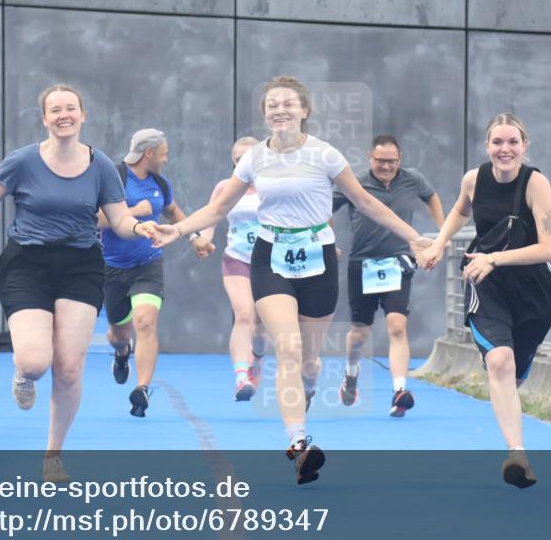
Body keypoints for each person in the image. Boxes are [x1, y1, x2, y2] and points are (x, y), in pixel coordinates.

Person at [154, 76, 433, 485]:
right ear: (265, 113)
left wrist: (415, 239)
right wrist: (177, 231)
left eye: (288, 103)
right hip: (271, 256)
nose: (279, 109)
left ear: (304, 111)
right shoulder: (254, 160)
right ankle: (299, 444)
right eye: (272, 104)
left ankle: (305, 388)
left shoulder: (324, 155)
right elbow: (218, 208)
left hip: (318, 258)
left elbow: (366, 201)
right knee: (287, 346)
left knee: (308, 361)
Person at [0, 84, 158, 481]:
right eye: (55, 110)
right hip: (27, 263)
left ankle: (53, 454)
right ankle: (22, 374)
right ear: (45, 119)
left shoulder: (102, 165)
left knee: (69, 369)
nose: (64, 115)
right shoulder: (22, 162)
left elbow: (120, 220)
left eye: (71, 108)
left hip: (81, 265)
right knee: (37, 362)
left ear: (83, 115)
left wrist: (141, 227)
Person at [417, 113, 551, 488]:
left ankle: (513, 391)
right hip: (485, 283)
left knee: (515, 370)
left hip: (533, 294)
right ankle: (517, 453)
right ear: (487, 146)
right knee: (499, 361)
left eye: (513, 142)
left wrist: (495, 257)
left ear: (524, 146)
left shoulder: (535, 183)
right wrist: (439, 243)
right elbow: (461, 210)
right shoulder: (473, 179)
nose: (505, 149)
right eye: (498, 142)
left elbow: (550, 248)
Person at [100, 128, 212, 418]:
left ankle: (142, 389)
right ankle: (122, 353)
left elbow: (174, 213)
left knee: (145, 322)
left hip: (148, 265)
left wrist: (194, 236)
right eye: (163, 152)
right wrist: (135, 210)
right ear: (148, 153)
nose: (166, 157)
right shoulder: (114, 177)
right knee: (118, 333)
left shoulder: (160, 184)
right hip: (112, 267)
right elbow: (95, 219)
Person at [333, 134, 445, 417]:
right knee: (359, 333)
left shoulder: (412, 179)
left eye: (391, 161)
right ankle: (351, 374)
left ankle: (399, 391)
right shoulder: (354, 182)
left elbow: (431, 197)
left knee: (397, 325)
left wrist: (442, 231)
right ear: (370, 158)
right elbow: (324, 209)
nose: (386, 167)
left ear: (400, 160)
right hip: (362, 263)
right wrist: (328, 241)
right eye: (380, 161)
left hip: (397, 262)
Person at [197, 137, 269, 401]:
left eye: (249, 159)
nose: (244, 164)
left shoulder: (273, 187)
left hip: (270, 263)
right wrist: (204, 238)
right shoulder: (225, 187)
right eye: (239, 160)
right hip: (236, 259)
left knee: (261, 329)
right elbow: (211, 215)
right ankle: (241, 378)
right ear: (233, 162)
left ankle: (257, 360)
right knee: (244, 315)